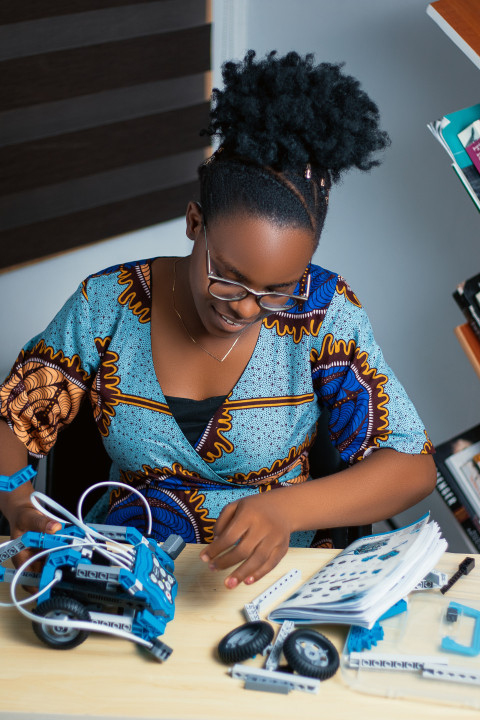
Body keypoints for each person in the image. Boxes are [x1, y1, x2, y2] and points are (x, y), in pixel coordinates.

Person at [0, 51, 436, 589]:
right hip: (125, 576)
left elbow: (411, 465)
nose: (246, 306)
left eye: (276, 290)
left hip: (274, 586)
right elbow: (13, 419)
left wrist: (288, 511)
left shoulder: (324, 311)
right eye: (228, 277)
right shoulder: (107, 303)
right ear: (194, 222)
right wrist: (19, 509)